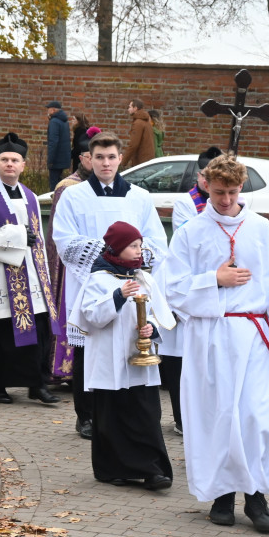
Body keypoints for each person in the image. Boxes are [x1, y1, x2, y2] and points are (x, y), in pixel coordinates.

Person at [160, 152, 269, 533]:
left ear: (242, 188)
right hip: (211, 335)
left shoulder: (262, 230)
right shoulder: (192, 232)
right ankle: (222, 495)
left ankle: (256, 496)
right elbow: (171, 289)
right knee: (218, 415)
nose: (225, 200)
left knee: (255, 416)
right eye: (219, 192)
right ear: (207, 185)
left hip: (252, 335)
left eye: (233, 192)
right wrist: (213, 280)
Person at [52, 131, 168, 440]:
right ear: (89, 159)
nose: (106, 163)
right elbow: (64, 240)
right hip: (90, 281)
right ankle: (87, 414)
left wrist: (135, 259)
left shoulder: (139, 197)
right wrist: (108, 256)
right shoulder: (75, 196)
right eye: (99, 157)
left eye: (112, 157)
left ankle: (128, 409)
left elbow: (156, 240)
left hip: (131, 284)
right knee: (87, 346)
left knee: (132, 340)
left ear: (120, 159)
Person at [69, 221, 173, 490]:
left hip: (139, 360)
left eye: (140, 245)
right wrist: (117, 295)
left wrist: (151, 329)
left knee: (146, 412)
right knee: (112, 415)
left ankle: (153, 470)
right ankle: (111, 468)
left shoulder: (142, 277)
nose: (139, 251)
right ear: (117, 248)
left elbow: (158, 314)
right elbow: (90, 317)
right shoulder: (98, 278)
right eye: (133, 246)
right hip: (110, 359)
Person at [0, 133, 60, 405]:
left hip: (29, 275)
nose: (10, 164)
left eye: (15, 160)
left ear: (23, 165)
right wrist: (19, 237)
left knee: (39, 328)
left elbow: (39, 238)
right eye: (5, 159)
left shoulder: (30, 196)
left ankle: (37, 384)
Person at [156, 145, 221, 436]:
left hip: (217, 288)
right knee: (179, 359)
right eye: (208, 176)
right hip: (187, 285)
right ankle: (182, 418)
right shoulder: (186, 202)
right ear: (200, 175)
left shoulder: (235, 202)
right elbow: (193, 238)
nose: (211, 183)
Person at [45, 128, 98, 386]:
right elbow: (58, 231)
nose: (96, 162)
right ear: (81, 158)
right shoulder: (67, 187)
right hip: (71, 265)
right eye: (91, 156)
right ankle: (63, 368)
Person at [171, 146, 222, 229]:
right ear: (199, 176)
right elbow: (182, 233)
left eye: (215, 177)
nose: (210, 181)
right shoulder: (184, 201)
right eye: (206, 176)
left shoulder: (225, 201)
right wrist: (204, 216)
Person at [121, 99, 155, 169]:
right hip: (147, 160)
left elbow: (133, 144)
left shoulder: (138, 123)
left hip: (141, 161)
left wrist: (123, 162)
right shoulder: (146, 121)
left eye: (130, 107)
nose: (128, 109)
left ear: (135, 108)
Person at [46, 101, 70, 189]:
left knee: (53, 186)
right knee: (59, 184)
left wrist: (50, 160)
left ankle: (54, 202)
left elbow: (53, 142)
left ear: (53, 110)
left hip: (56, 159)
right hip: (63, 158)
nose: (47, 112)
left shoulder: (54, 122)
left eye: (48, 109)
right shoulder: (64, 121)